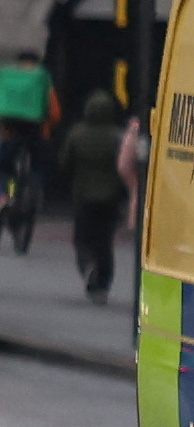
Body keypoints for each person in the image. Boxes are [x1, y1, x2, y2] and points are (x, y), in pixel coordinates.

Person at [58, 92, 127, 302]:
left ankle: (88, 265)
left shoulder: (77, 134)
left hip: (84, 195)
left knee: (83, 238)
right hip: (110, 198)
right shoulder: (117, 137)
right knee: (105, 241)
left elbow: (65, 163)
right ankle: (102, 285)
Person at [0, 48, 49, 220]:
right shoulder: (42, 77)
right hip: (35, 129)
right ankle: (34, 196)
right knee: (37, 165)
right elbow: (54, 111)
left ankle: (6, 196)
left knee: (6, 167)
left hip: (11, 129)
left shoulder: (7, 76)